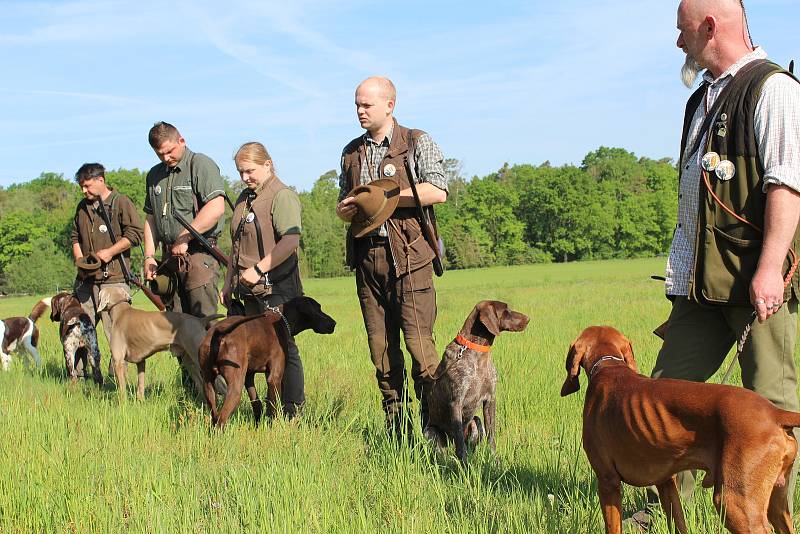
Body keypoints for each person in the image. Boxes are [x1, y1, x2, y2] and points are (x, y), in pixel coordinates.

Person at [629, 0, 800, 527]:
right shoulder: (701, 99)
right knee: (660, 398)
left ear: (710, 27)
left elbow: (786, 182)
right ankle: (659, 511)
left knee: (770, 405)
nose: (678, 42)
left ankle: (769, 514)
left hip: (757, 284)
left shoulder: (773, 89)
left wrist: (770, 268)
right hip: (701, 288)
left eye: (683, 32)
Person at [335, 76, 448, 435]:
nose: (360, 111)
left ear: (390, 105)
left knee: (419, 347)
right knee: (381, 351)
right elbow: (345, 199)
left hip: (411, 258)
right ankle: (396, 428)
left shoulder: (415, 141)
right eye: (356, 105)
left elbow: (438, 191)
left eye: (366, 105)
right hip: (368, 259)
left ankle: (439, 426)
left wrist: (387, 197)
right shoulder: (351, 152)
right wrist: (348, 208)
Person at [221, 142, 305, 418]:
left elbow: (290, 241)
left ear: (268, 164)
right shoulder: (245, 199)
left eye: (249, 171)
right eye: (240, 172)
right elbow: (234, 247)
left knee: (284, 350)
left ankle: (292, 411)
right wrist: (228, 281)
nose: (244, 177)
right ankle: (264, 410)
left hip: (277, 289)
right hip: (247, 290)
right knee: (253, 349)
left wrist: (258, 270)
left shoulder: (282, 196)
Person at [142, 121, 226, 317]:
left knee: (204, 324)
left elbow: (216, 208)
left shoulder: (200, 164)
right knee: (176, 327)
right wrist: (149, 256)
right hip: (169, 259)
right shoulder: (154, 175)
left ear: (181, 140)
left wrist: (184, 237)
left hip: (199, 255)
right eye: (159, 154)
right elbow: (151, 218)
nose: (166, 157)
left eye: (169, 151)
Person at [70, 163, 143, 353]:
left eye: (87, 186)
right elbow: (75, 236)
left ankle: (117, 380)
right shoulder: (82, 206)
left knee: (116, 334)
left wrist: (110, 252)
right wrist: (80, 260)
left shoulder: (121, 202)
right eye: (81, 187)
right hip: (86, 280)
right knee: (80, 332)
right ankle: (82, 377)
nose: (83, 191)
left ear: (101, 180)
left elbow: (135, 234)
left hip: (114, 279)